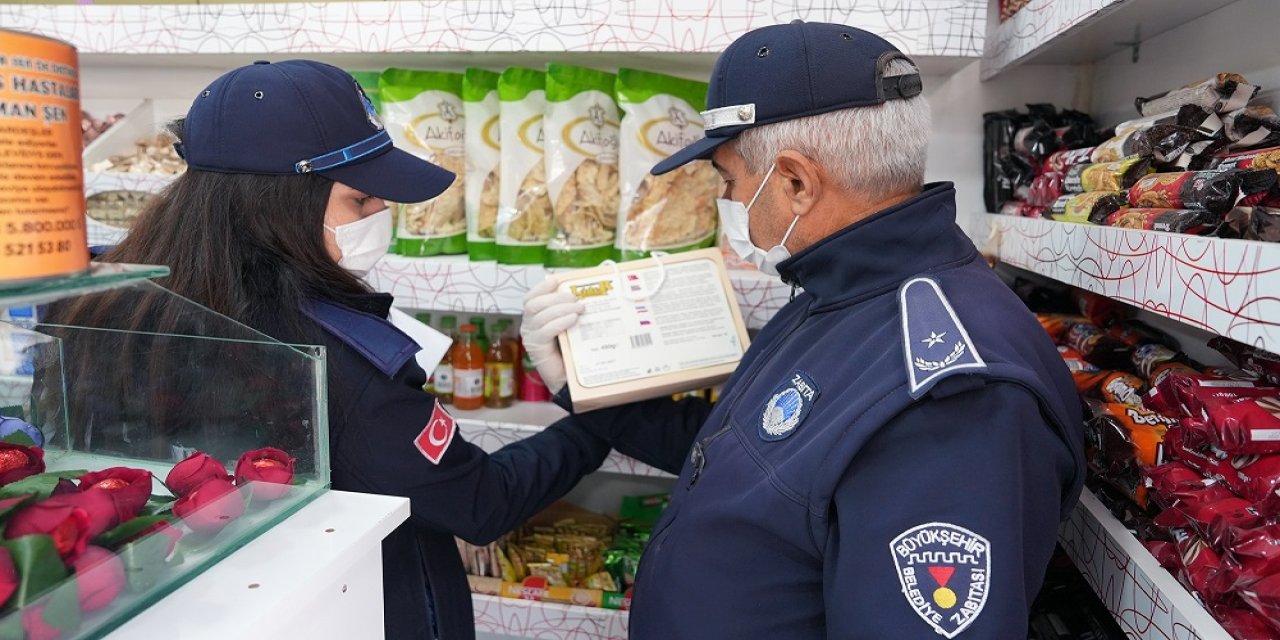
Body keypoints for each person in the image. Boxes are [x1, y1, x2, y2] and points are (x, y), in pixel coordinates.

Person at [521, 22, 1086, 639]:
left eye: (729, 182)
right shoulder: (836, 294)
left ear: (794, 181)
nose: (728, 202)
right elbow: (749, 459)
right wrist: (583, 382)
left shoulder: (952, 400)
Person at [54, 60, 612, 639]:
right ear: (279, 204)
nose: (381, 216)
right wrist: (599, 412)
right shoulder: (341, 363)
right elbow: (480, 502)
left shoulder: (111, 302)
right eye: (362, 200)